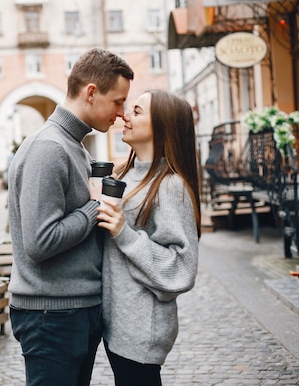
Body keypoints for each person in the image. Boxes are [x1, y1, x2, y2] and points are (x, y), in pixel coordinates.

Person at [7, 48, 134, 386]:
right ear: (91, 93)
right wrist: (95, 209)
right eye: (118, 102)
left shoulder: (73, 145)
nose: (121, 114)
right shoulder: (49, 148)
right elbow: (40, 241)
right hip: (51, 316)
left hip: (72, 311)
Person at [96, 90, 201, 386]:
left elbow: (182, 268)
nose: (125, 116)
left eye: (138, 111)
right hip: (118, 324)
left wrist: (123, 233)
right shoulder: (127, 175)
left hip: (142, 329)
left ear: (162, 125)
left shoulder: (170, 186)